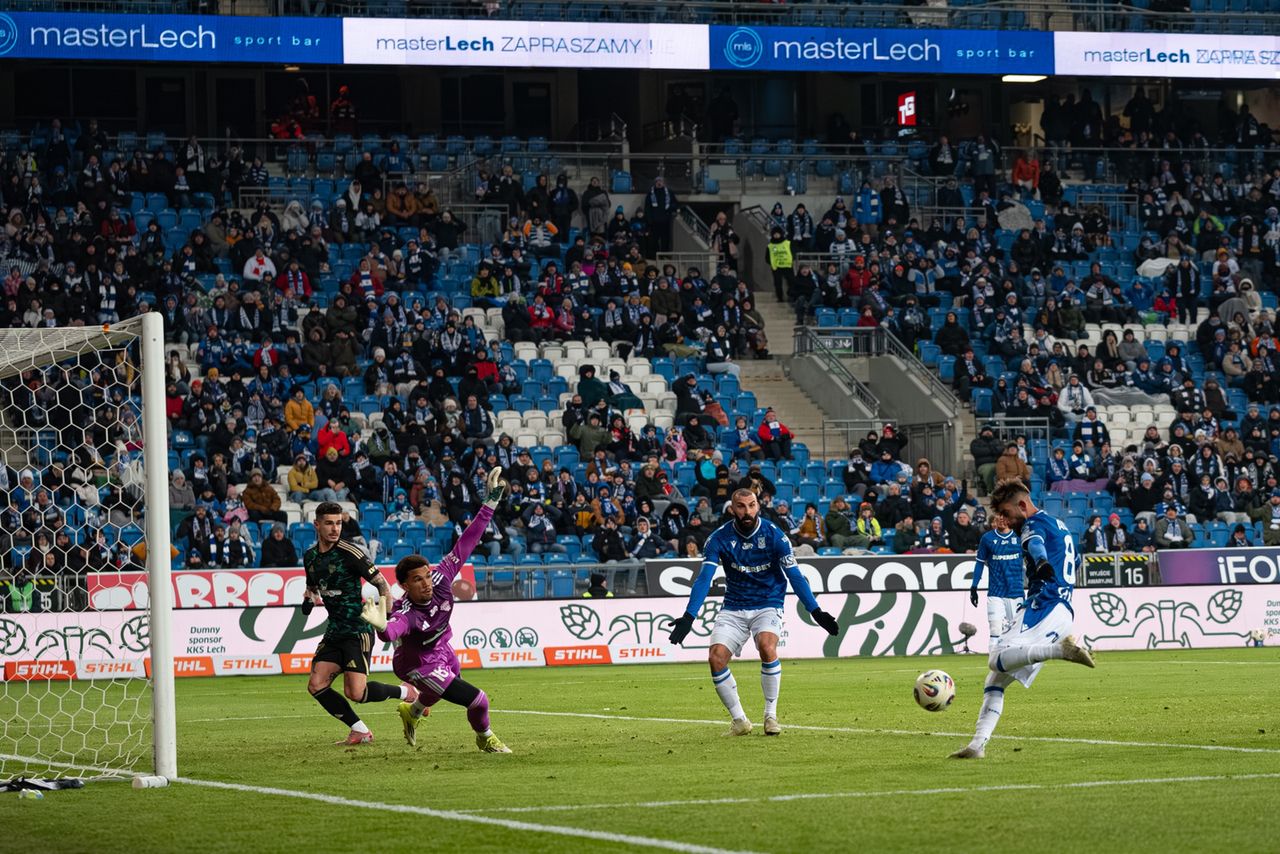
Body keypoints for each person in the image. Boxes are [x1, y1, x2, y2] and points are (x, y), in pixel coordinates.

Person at [667, 488, 841, 736]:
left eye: (751, 505)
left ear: (758, 506)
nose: (747, 511)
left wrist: (816, 611)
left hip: (768, 602)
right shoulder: (718, 538)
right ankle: (740, 721)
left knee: (767, 647)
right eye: (741, 506)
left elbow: (795, 576)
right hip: (734, 606)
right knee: (716, 658)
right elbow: (704, 578)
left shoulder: (775, 536)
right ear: (732, 508)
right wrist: (689, 616)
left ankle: (770, 716)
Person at [369, 468, 512, 753]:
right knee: (478, 700)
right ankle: (485, 738)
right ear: (404, 586)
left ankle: (413, 711)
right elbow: (392, 631)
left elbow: (468, 540)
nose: (426, 583)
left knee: (448, 682)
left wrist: (490, 503)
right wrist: (381, 626)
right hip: (416, 662)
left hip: (442, 647)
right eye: (417, 580)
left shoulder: (442, 577)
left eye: (426, 575)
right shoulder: (406, 611)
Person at [951, 479, 1095, 760]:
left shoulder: (1032, 524)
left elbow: (1037, 545)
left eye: (1006, 512)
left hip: (1045, 606)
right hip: (1062, 609)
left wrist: (1040, 564)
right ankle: (977, 745)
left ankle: (1061, 651)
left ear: (1022, 504)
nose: (1005, 520)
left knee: (995, 658)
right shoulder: (1059, 524)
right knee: (994, 681)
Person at [303, 502, 415, 746]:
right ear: (317, 525)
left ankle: (407, 692)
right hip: (334, 632)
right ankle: (359, 730)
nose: (335, 528)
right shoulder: (310, 557)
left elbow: (383, 585)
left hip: (357, 631)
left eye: (339, 523)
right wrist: (309, 598)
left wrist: (386, 619)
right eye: (329, 523)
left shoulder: (350, 552)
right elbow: (312, 586)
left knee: (356, 693)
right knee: (316, 685)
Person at [968, 513, 1024, 650]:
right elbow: (980, 563)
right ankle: (993, 667)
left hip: (1016, 592)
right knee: (995, 630)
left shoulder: (1019, 537)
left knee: (1017, 632)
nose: (1001, 519)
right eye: (999, 516)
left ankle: (1016, 666)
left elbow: (1032, 559)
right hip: (995, 592)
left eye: (1005, 516)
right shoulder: (987, 538)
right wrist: (974, 586)